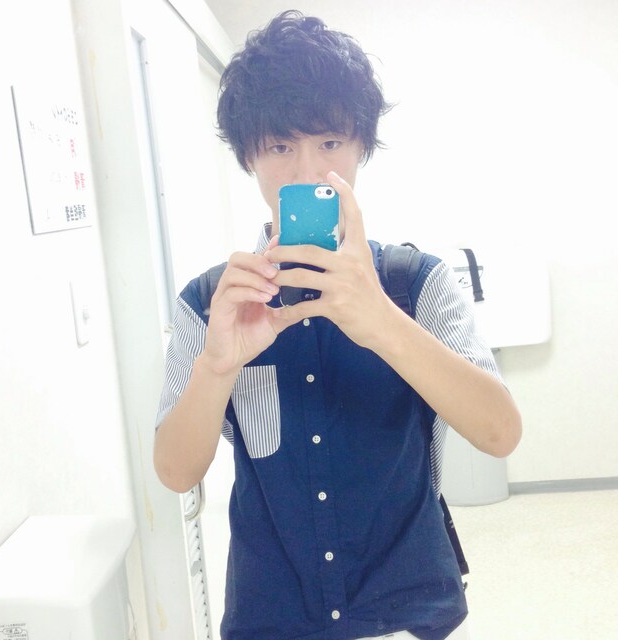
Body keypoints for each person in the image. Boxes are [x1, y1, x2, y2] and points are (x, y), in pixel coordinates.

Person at [153, 10, 521, 640]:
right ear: (248, 155)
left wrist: (381, 321)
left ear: (361, 148)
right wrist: (217, 367)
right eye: (280, 147)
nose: (305, 172)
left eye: (329, 143)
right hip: (271, 619)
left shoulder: (416, 283)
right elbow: (176, 472)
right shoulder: (210, 303)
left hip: (406, 616)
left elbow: (500, 432)